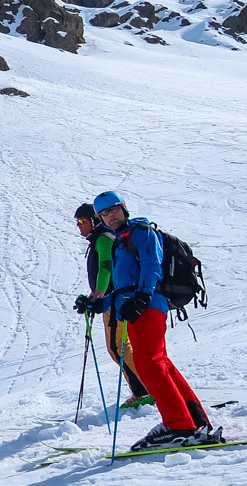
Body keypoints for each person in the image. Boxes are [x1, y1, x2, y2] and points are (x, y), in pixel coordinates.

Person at [75, 191, 223, 451]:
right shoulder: (120, 242)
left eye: (114, 210)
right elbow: (121, 288)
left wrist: (143, 296)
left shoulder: (141, 231)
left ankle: (178, 424)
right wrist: (99, 302)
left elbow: (152, 266)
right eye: (104, 213)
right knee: (161, 363)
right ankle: (196, 422)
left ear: (124, 209)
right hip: (133, 308)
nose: (110, 216)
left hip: (148, 307)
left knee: (148, 362)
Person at [76, 202, 151, 407]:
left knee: (117, 346)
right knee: (119, 346)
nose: (79, 225)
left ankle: (146, 391)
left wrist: (99, 295)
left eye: (82, 221)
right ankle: (145, 389)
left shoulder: (103, 239)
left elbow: (106, 266)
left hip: (114, 301)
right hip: (115, 300)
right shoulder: (105, 238)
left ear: (95, 221)